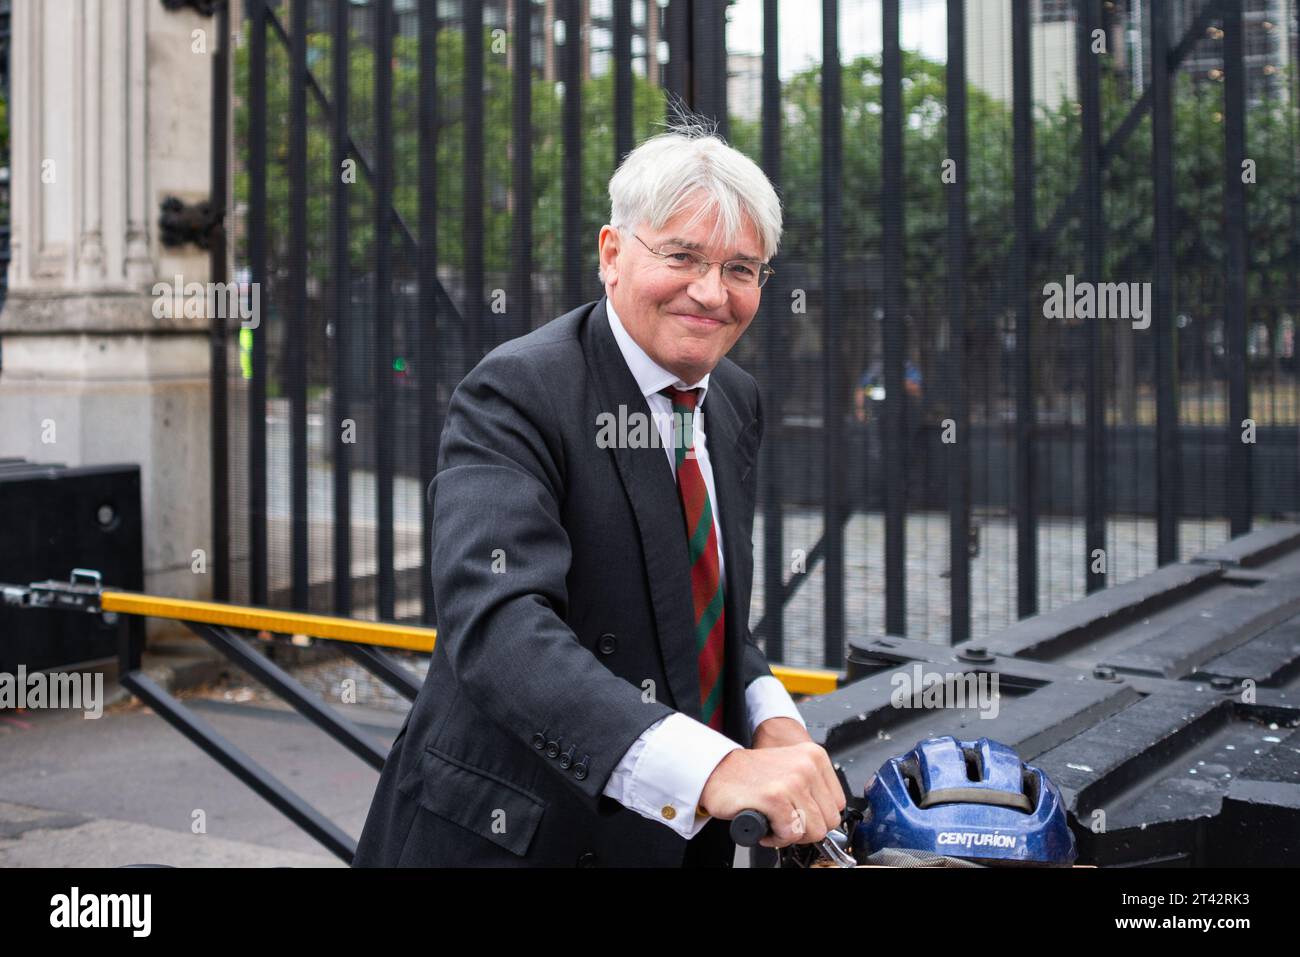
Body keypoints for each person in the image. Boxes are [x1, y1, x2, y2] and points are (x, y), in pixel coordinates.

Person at [353, 116, 846, 868]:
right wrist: (713, 768)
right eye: (682, 255)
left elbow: (700, 614)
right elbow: (499, 626)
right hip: (517, 841)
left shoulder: (733, 399)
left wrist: (768, 714)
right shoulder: (518, 390)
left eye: (742, 269)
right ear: (612, 254)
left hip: (675, 839)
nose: (712, 293)